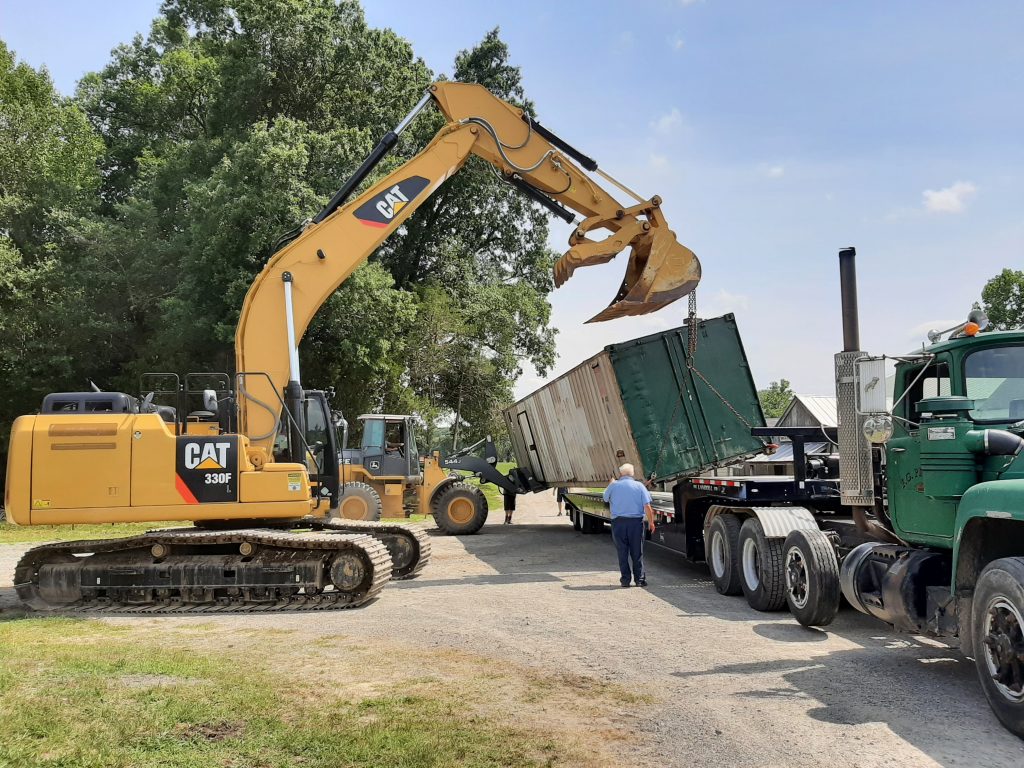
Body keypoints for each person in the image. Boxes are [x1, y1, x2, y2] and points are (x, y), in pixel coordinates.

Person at [602, 463, 655, 587]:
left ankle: (625, 580)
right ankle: (639, 580)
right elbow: (647, 506)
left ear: (621, 473)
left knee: (622, 552)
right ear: (632, 473)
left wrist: (610, 484)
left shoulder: (614, 486)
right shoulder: (640, 486)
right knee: (637, 552)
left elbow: (605, 498)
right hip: (635, 524)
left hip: (618, 524)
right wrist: (651, 522)